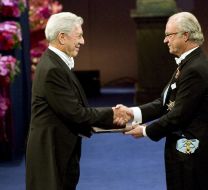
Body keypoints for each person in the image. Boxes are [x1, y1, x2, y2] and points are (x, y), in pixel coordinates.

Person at [26, 12, 130, 190]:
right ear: (62, 37)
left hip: (59, 150)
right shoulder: (53, 69)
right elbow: (76, 113)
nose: (82, 41)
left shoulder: (55, 63)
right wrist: (114, 115)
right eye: (79, 36)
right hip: (51, 153)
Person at [116, 12, 208, 190]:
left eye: (169, 35)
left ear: (185, 35)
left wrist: (146, 130)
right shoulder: (188, 63)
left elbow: (179, 114)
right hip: (183, 147)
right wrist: (133, 112)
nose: (165, 40)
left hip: (192, 150)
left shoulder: (194, 69)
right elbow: (165, 102)